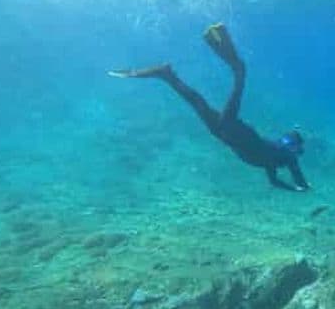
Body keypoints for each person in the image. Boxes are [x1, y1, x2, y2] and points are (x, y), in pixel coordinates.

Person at [109, 23, 310, 192]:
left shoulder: (274, 161)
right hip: (232, 132)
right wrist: (303, 188)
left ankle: (166, 74)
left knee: (199, 100)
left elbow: (274, 182)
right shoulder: (286, 157)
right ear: (295, 148)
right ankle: (218, 38)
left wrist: (295, 189)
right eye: (293, 145)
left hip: (226, 135)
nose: (292, 148)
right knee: (237, 77)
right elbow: (296, 179)